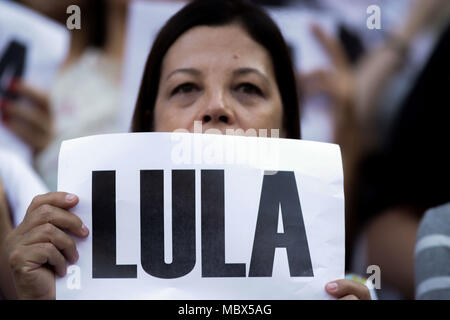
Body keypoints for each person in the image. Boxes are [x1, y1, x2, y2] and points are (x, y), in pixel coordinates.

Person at [4, 0, 370, 300]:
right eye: (185, 88)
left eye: (247, 88)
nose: (216, 106)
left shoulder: (342, 291)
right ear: (148, 124)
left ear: (287, 127)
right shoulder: (67, 277)